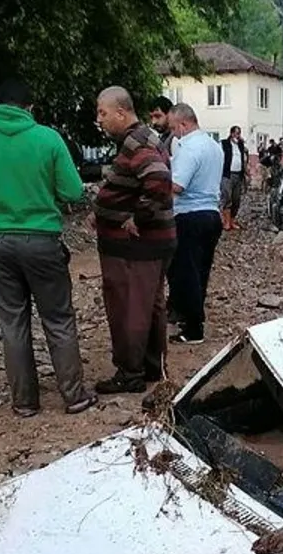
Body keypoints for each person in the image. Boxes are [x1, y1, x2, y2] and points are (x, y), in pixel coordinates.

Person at [0, 78, 96, 417]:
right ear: (30, 107)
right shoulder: (48, 139)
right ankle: (74, 396)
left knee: (12, 324)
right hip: (42, 241)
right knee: (58, 319)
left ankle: (24, 402)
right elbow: (73, 191)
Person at [90, 86, 176, 394]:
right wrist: (106, 210)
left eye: (102, 113)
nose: (99, 119)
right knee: (149, 305)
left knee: (129, 307)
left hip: (134, 246)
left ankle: (130, 373)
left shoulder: (136, 141)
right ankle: (151, 366)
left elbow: (158, 179)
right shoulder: (144, 137)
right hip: (151, 242)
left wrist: (137, 217)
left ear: (121, 112)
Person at [165, 103, 223, 344]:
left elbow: (177, 186)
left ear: (183, 124)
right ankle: (189, 317)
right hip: (212, 214)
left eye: (173, 128)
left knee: (186, 272)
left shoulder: (188, 148)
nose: (173, 134)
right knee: (200, 271)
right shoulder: (213, 145)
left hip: (189, 215)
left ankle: (193, 327)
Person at [219, 125, 247, 230]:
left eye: (239, 133)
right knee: (227, 198)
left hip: (238, 175)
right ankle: (226, 222)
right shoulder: (224, 143)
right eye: (236, 133)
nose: (237, 135)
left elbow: (244, 158)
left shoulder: (240, 145)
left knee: (236, 199)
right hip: (228, 174)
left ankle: (232, 221)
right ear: (231, 134)